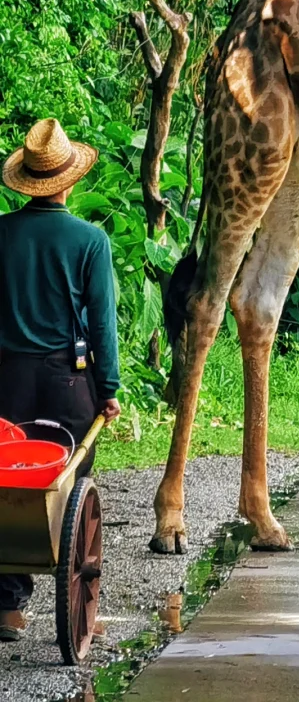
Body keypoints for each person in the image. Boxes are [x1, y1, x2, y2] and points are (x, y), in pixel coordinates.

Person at [0, 119, 121, 643]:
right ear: (68, 181)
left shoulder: (1, 232)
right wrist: (110, 388)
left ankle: (7, 602)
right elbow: (102, 323)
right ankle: (56, 556)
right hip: (66, 384)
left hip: (5, 381)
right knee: (65, 479)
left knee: (6, 484)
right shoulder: (89, 241)